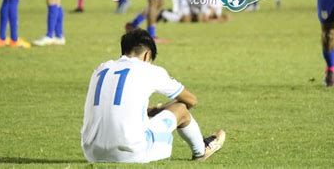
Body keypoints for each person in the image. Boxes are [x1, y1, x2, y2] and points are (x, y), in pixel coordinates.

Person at [81, 29, 226, 163]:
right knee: (181, 109)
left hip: (92, 153)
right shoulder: (149, 70)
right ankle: (201, 151)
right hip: (131, 152)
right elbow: (191, 100)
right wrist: (161, 109)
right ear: (147, 54)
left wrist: (152, 110)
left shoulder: (101, 68)